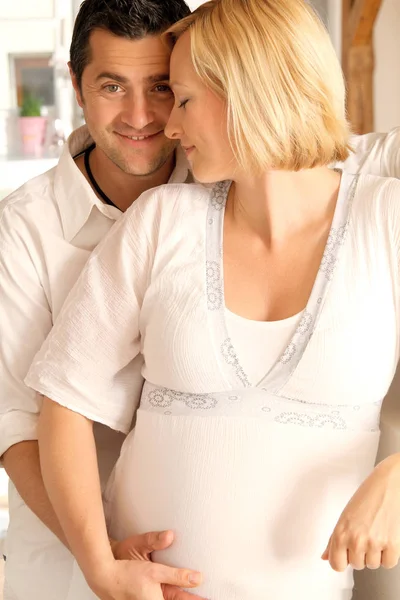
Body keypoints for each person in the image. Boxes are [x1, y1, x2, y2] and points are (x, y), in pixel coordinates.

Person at [22, 0, 400, 599]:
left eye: (184, 99)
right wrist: (102, 568)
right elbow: (62, 399)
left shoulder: (387, 220)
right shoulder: (162, 219)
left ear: (251, 91)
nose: (169, 127)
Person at [0, 1, 206, 599]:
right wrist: (106, 555)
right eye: (113, 86)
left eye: (162, 86)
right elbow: (16, 427)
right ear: (76, 87)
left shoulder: (226, 190)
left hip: (195, 558)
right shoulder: (22, 229)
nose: (140, 116)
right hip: (64, 569)